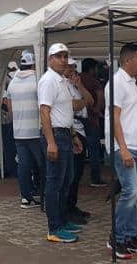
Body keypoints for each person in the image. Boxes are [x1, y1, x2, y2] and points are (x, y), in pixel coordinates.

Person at [105, 43, 137, 259]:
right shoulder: (117, 83)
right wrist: (123, 149)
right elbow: (114, 118)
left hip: (136, 147)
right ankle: (116, 237)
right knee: (131, 192)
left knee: (135, 194)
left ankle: (130, 237)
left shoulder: (132, 83)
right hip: (125, 148)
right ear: (127, 60)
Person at [38, 43, 82, 244]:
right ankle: (54, 228)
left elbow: (64, 111)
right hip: (55, 135)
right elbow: (44, 111)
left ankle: (62, 221)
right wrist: (51, 142)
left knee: (66, 180)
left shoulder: (61, 80)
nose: (63, 60)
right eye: (59, 56)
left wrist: (73, 136)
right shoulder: (48, 81)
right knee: (55, 183)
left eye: (65, 56)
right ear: (50, 59)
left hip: (64, 134)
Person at [5, 51, 43, 209]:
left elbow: (9, 108)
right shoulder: (38, 80)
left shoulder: (13, 82)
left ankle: (26, 198)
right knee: (43, 165)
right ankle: (45, 197)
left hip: (19, 131)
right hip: (36, 131)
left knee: (24, 166)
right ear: (34, 65)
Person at [64, 57, 93, 225]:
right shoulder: (61, 85)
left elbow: (90, 101)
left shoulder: (74, 84)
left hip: (81, 129)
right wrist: (81, 103)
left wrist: (80, 86)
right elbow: (72, 106)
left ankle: (72, 205)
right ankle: (67, 208)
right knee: (72, 173)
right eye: (70, 67)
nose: (73, 70)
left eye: (74, 67)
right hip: (71, 129)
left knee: (78, 172)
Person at [79, 58, 107, 187]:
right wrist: (97, 109)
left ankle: (77, 176)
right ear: (91, 69)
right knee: (94, 150)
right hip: (92, 119)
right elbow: (100, 96)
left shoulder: (77, 78)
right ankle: (95, 178)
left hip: (77, 119)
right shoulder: (94, 81)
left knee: (79, 150)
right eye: (95, 68)